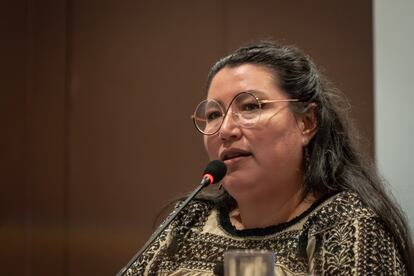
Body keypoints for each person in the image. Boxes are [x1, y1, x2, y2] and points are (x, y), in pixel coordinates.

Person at [125, 41, 413, 275]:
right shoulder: (190, 218)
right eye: (213, 114)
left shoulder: (346, 224)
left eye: (250, 106)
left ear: (307, 123)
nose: (225, 130)